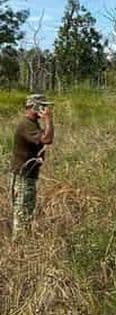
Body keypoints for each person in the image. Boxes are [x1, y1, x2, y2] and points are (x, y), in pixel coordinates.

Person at [9, 93, 54, 240]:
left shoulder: (32, 124)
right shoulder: (27, 125)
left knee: (24, 214)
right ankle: (19, 250)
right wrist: (48, 119)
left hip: (26, 176)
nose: (46, 109)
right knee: (22, 216)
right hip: (23, 178)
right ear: (34, 106)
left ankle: (20, 245)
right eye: (43, 106)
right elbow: (47, 139)